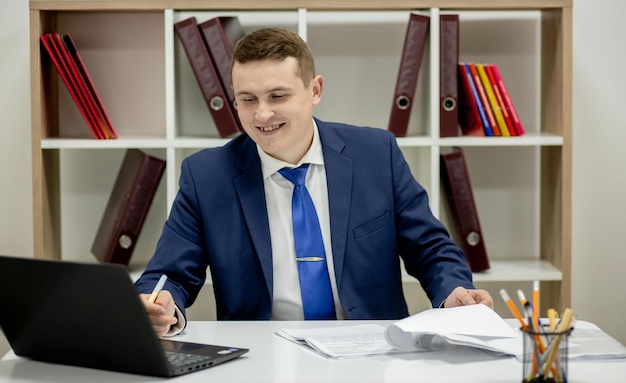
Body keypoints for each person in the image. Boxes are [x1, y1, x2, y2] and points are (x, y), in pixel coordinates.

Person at [135, 27, 493, 337]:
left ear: (315, 90)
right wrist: (159, 303)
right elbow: (168, 275)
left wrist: (453, 290)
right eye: (248, 100)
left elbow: (430, 248)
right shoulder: (207, 175)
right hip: (260, 355)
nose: (262, 114)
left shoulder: (375, 154)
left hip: (370, 350)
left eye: (278, 96)